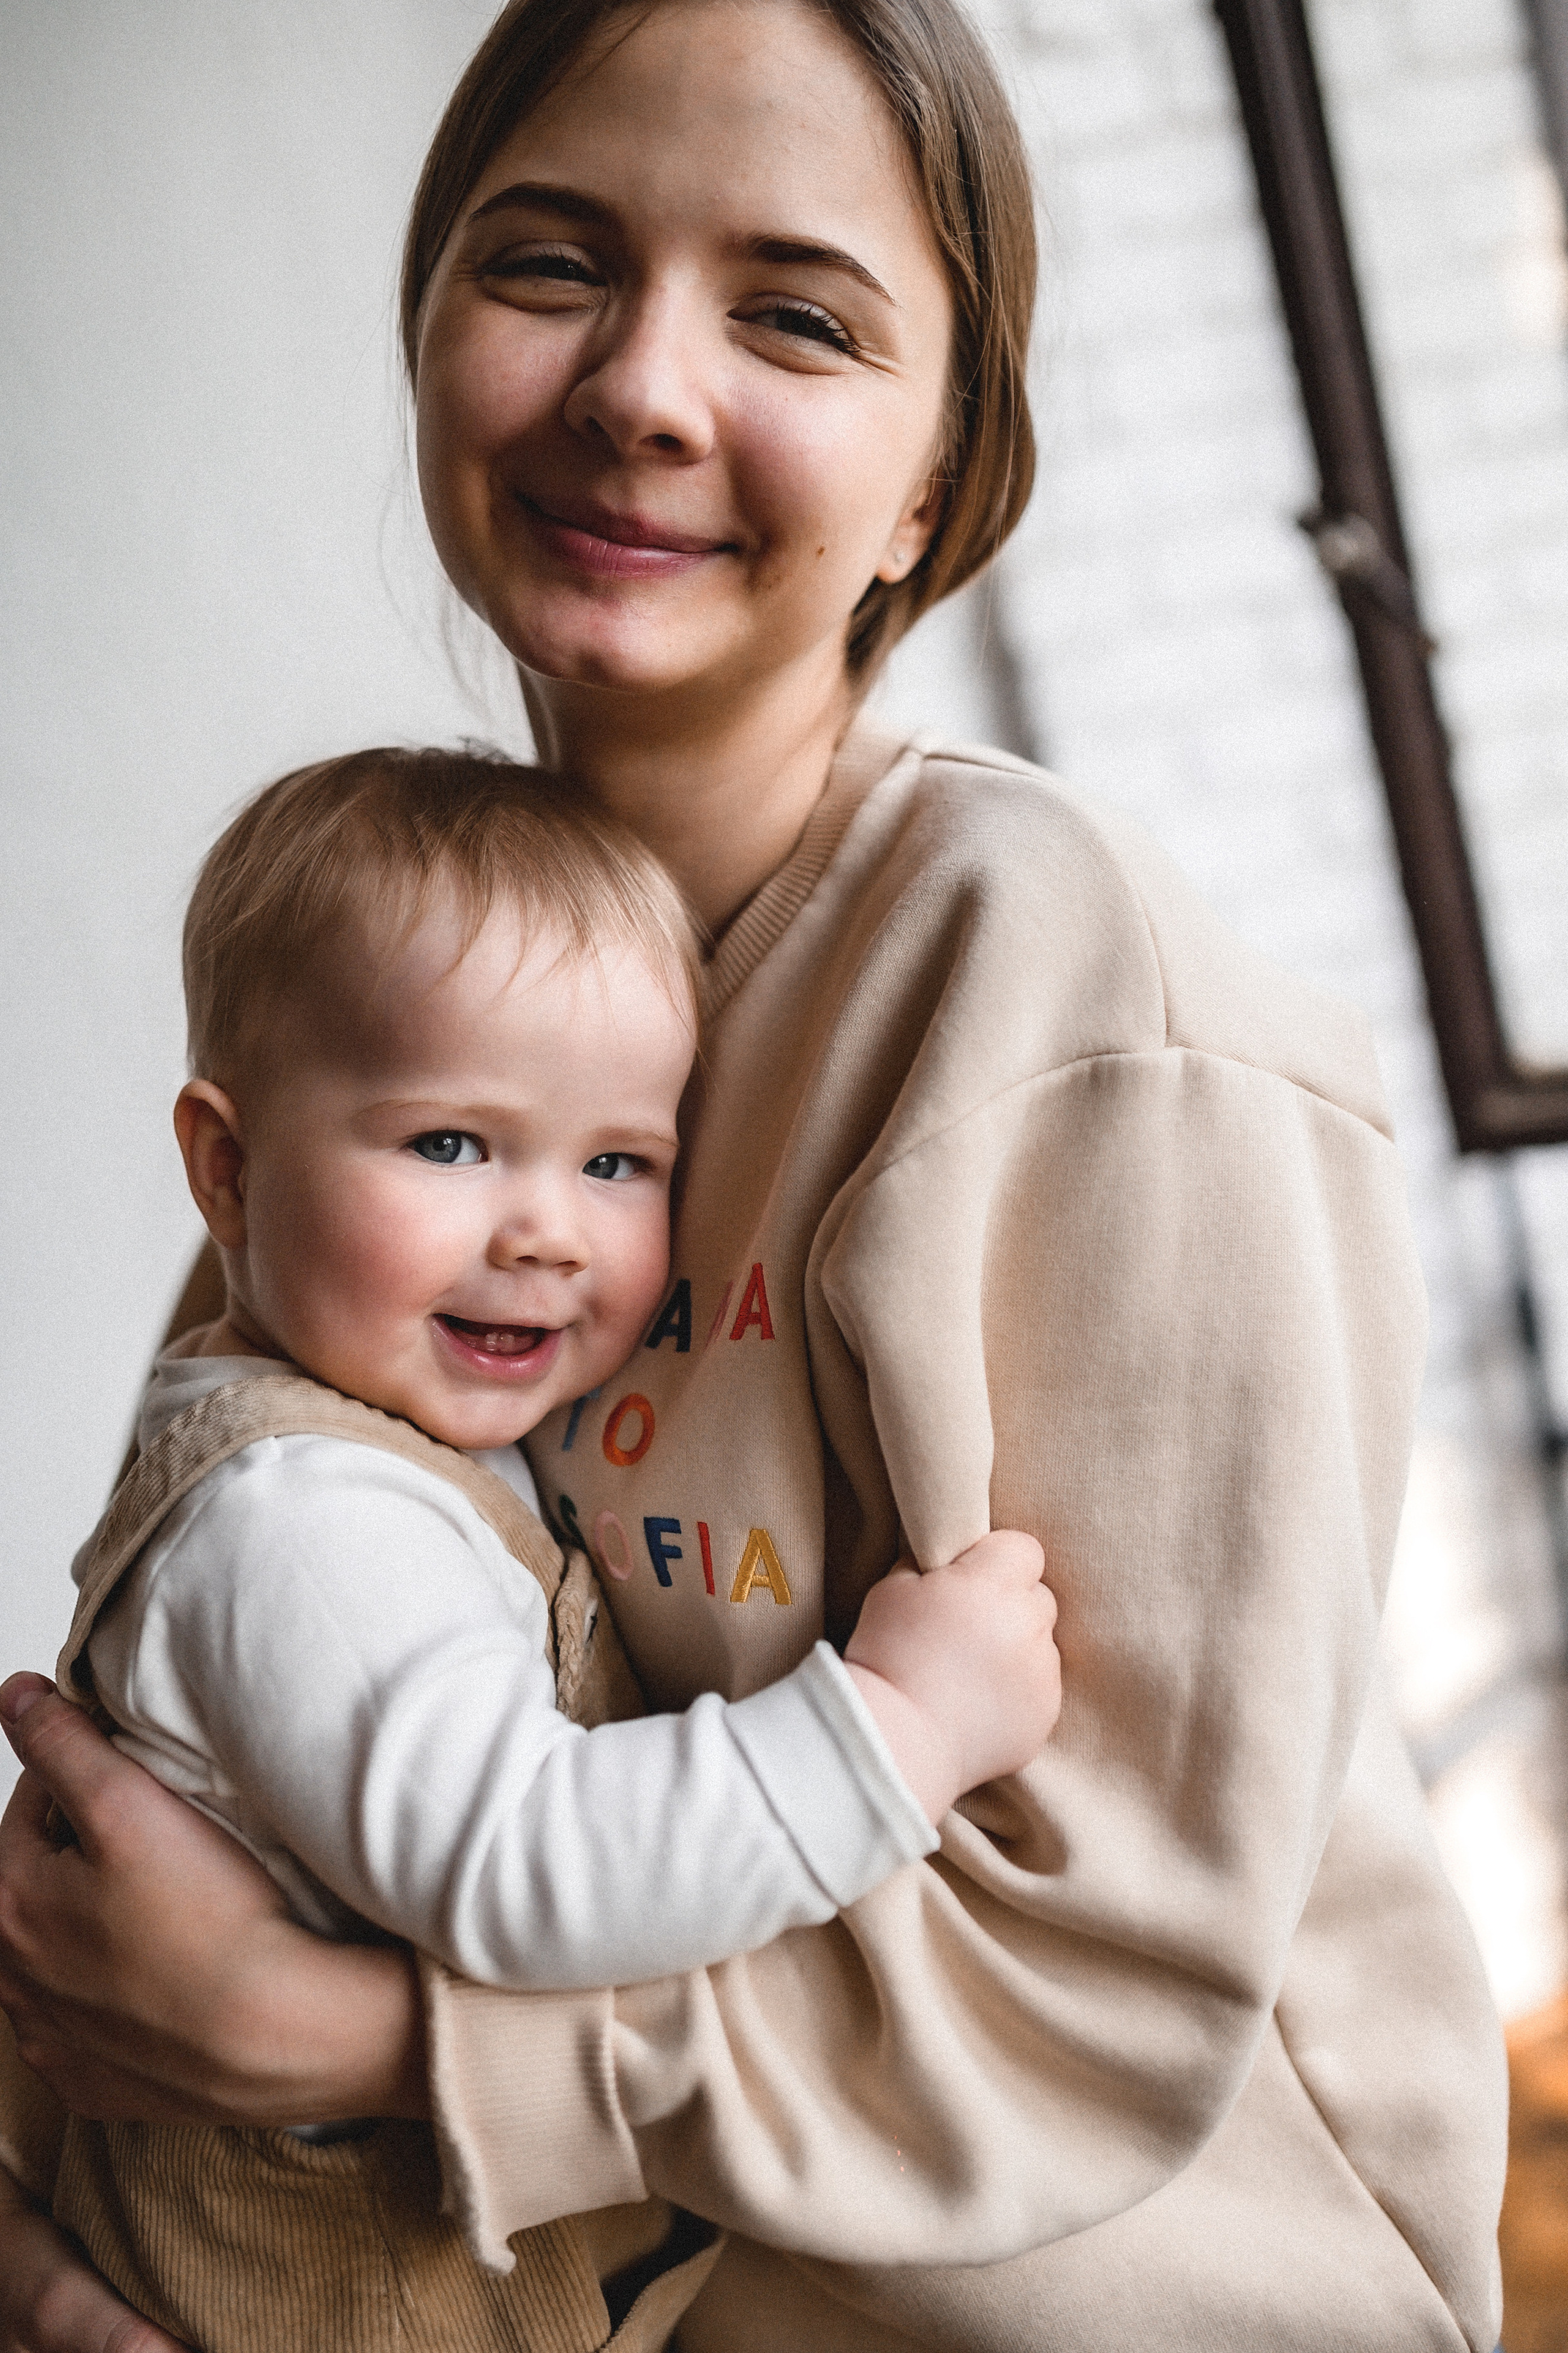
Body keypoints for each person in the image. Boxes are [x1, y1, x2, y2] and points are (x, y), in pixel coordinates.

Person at [0, 0, 1509, 2346]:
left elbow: (1104, 1960)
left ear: (937, 478)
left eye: (796, 313)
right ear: (424, 338)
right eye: (548, 262)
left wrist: (390, 2053)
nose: (644, 386)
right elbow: (181, 1816)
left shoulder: (1070, 1001)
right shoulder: (390, 999)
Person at [0, 744, 1057, 2351]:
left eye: (616, 1161)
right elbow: (529, 1863)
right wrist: (899, 1733)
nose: (546, 1229)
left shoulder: (378, 1443)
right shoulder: (300, 1522)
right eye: (449, 1143)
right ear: (226, 1163)